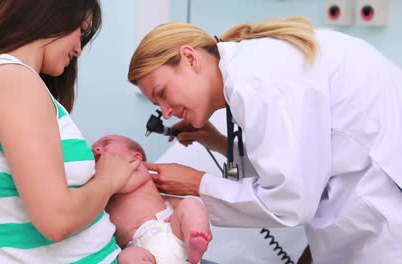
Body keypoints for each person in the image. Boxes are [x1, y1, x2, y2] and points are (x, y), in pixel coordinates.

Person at [126, 16, 402, 264]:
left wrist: (197, 183)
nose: (165, 112)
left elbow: (290, 202)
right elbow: (292, 159)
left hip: (384, 212)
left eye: (162, 93)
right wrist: (220, 143)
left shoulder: (257, 81)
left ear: (189, 58)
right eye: (156, 104)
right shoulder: (253, 64)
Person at [0, 1, 141, 263]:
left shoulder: (10, 81)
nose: (78, 49)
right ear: (50, 14)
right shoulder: (12, 81)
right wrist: (108, 179)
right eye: (80, 31)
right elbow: (57, 220)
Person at [91, 135, 212, 264]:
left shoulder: (136, 170)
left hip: (172, 234)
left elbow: (118, 184)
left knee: (190, 203)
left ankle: (194, 242)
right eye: (92, 150)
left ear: (136, 157)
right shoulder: (102, 187)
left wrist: (187, 219)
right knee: (126, 257)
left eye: (106, 143)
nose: (96, 149)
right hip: (141, 248)